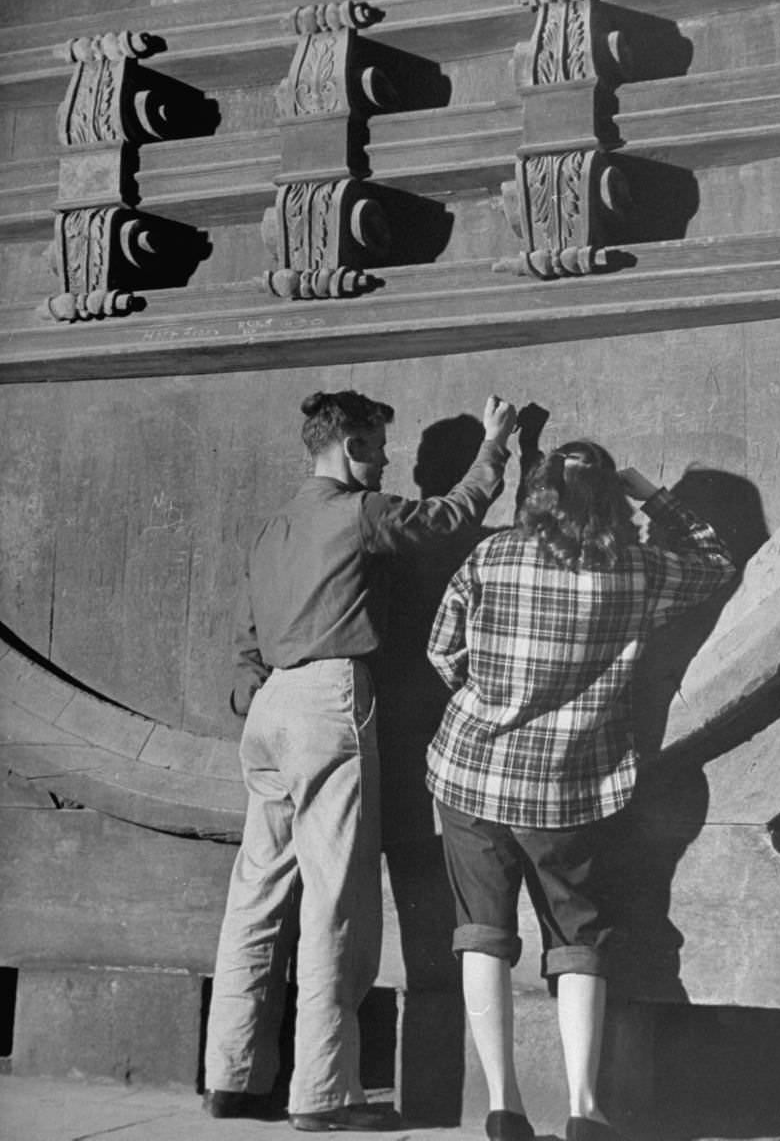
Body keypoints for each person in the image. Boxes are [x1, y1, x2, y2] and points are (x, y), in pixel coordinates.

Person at [203, 389, 517, 1133]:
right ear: (351, 446)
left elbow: (247, 634)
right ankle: (323, 1091)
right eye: (378, 448)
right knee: (336, 898)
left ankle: (231, 1078)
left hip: (273, 705)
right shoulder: (362, 512)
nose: (385, 464)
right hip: (328, 701)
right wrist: (495, 446)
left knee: (254, 899)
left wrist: (260, 694)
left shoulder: (273, 526)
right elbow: (444, 521)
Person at [425, 441, 736, 1141]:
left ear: (537, 495)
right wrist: (650, 492)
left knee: (481, 933)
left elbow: (442, 652)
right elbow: (715, 563)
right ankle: (583, 1106)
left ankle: (503, 1105)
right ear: (609, 500)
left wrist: (493, 699)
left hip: (471, 772)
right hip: (569, 788)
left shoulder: (493, 556)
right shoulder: (637, 570)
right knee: (578, 937)